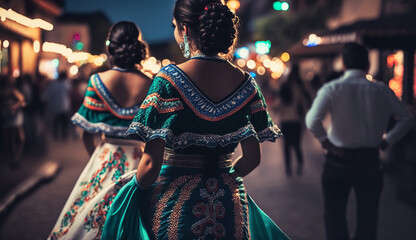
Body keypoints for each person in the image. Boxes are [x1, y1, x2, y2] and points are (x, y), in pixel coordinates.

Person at [100, 1, 289, 239]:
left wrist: (128, 192)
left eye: (175, 27)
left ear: (185, 30)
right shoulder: (246, 83)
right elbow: (252, 159)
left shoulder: (168, 80)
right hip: (228, 207)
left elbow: (150, 165)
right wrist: (225, 178)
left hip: (176, 209)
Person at [49, 21, 152, 240]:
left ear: (111, 47)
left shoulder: (97, 82)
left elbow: (87, 134)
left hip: (106, 158)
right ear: (138, 47)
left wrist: (99, 159)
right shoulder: (151, 84)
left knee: (88, 222)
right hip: (140, 164)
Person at [305, 42, 414, 240]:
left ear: (344, 64)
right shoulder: (381, 90)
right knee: (368, 218)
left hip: (338, 160)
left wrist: (326, 142)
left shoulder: (332, 88)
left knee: (335, 217)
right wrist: (387, 140)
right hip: (370, 161)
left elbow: (312, 120)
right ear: (367, 65)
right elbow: (407, 119)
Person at [277, 63, 311, 176]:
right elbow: (306, 102)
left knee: (286, 145)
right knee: (297, 144)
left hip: (284, 120)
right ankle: (299, 166)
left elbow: (278, 105)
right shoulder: (300, 87)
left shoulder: (284, 86)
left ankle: (288, 168)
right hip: (296, 120)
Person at [0, 74, 26, 169]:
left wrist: (14, 106)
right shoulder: (7, 91)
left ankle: (15, 159)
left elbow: (21, 99)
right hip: (9, 115)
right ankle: (14, 159)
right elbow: (22, 100)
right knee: (12, 139)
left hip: (13, 115)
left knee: (18, 138)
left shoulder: (12, 91)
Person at [41, 71, 71, 141]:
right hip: (65, 107)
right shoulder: (67, 85)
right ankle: (64, 137)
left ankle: (56, 136)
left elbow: (46, 96)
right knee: (64, 123)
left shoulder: (53, 85)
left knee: (56, 123)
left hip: (55, 107)